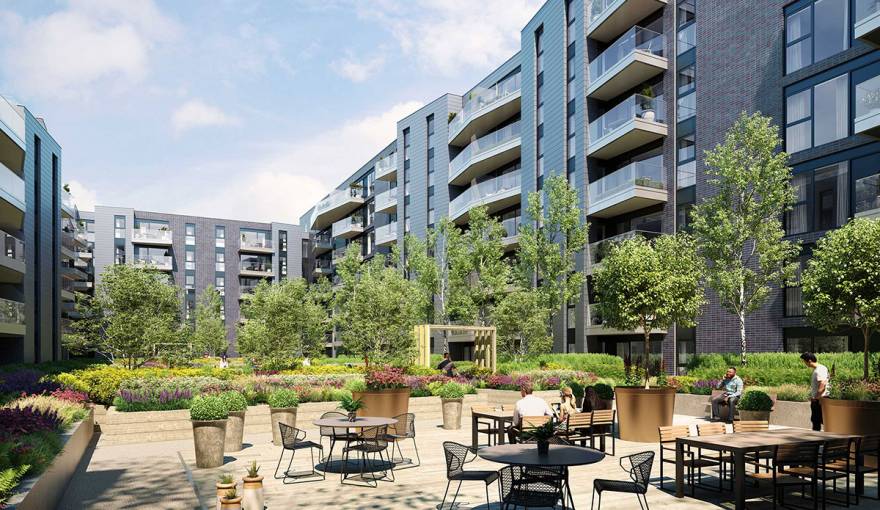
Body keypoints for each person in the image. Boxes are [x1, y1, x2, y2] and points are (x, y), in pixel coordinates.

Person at [801, 352, 830, 431]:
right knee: (819, 421)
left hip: (820, 399)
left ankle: (816, 442)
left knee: (816, 422)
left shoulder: (819, 370)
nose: (804, 363)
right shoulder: (820, 368)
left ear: (809, 361)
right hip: (820, 399)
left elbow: (823, 384)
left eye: (804, 361)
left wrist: (815, 398)